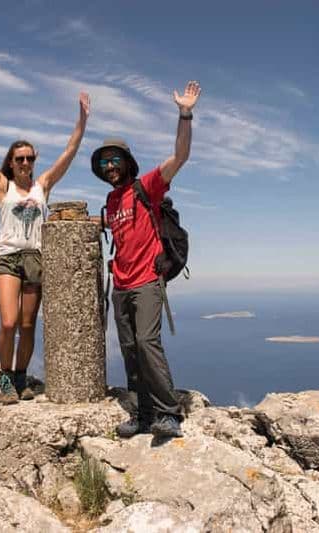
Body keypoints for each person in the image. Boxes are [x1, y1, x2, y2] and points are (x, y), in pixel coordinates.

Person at [0, 86, 90, 403]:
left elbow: (69, 152)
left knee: (28, 325)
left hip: (37, 258)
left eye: (29, 157)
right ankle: (4, 376)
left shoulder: (43, 186)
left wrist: (81, 120)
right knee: (9, 321)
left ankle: (20, 376)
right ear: (11, 163)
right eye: (19, 158)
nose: (25, 162)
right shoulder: (3, 186)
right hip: (8, 257)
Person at [92, 80, 201, 439]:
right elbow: (112, 229)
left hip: (146, 282)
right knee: (129, 349)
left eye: (115, 160)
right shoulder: (111, 202)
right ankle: (143, 414)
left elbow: (180, 157)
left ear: (127, 162)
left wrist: (185, 114)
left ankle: (169, 412)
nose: (110, 166)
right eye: (105, 161)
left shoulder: (147, 187)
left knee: (146, 342)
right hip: (121, 285)